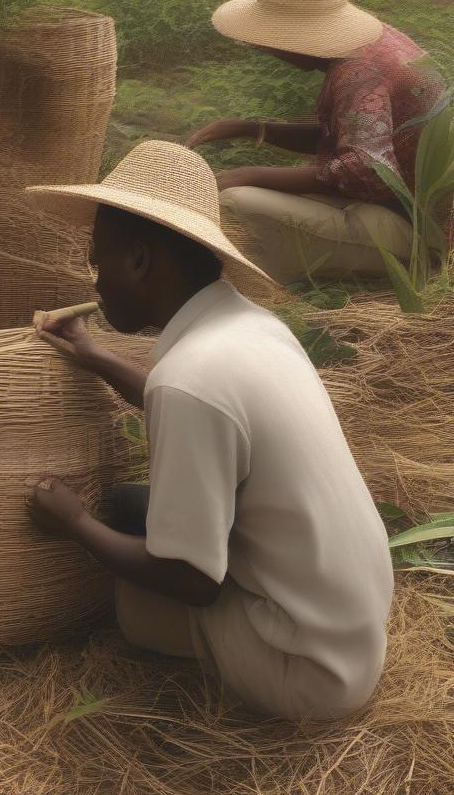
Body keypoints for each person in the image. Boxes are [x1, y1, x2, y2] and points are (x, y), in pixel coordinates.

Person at [21, 140, 394, 721]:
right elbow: (204, 411)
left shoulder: (190, 380)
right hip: (350, 633)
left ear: (141, 260)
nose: (94, 283)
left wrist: (75, 525)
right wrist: (93, 357)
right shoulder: (251, 327)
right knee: (132, 506)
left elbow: (193, 581)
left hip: (309, 671)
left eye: (99, 263)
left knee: (136, 606)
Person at [187, 0, 448, 284]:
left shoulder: (358, 72)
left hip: (423, 232)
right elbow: (347, 135)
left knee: (236, 200)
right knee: (262, 191)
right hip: (404, 208)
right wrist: (252, 128)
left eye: (271, 40)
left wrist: (248, 174)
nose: (268, 50)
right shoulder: (369, 46)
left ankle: (259, 286)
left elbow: (364, 169)